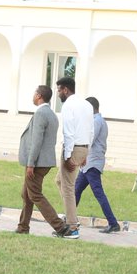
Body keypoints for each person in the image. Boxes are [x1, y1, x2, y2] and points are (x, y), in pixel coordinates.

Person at [16, 85, 69, 237]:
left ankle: (60, 227)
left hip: (37, 162)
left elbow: (37, 140)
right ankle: (23, 226)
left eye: (34, 93)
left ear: (39, 96)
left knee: (35, 195)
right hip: (45, 161)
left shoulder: (41, 113)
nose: (33, 96)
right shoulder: (52, 114)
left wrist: (31, 163)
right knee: (26, 194)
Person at [74, 96, 122, 233]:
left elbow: (88, 140)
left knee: (98, 193)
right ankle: (70, 219)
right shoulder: (98, 121)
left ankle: (113, 223)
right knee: (76, 191)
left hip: (92, 163)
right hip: (88, 163)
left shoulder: (96, 121)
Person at [54, 75, 93, 238]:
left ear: (65, 89)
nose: (58, 94)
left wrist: (69, 156)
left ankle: (72, 226)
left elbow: (68, 132)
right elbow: (91, 130)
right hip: (83, 147)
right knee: (59, 181)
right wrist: (86, 153)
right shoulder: (87, 104)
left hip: (72, 148)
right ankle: (72, 217)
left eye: (59, 90)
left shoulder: (68, 105)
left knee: (68, 188)